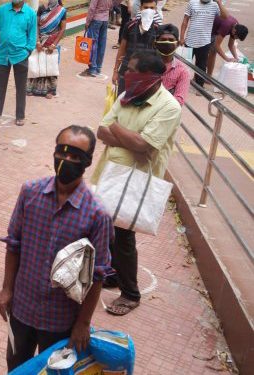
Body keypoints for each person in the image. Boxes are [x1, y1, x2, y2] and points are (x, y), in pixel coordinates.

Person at [0, 125, 114, 371]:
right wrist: (7, 289)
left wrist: (83, 323)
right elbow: (14, 244)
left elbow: (98, 275)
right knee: (17, 365)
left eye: (75, 156)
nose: (66, 160)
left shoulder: (97, 215)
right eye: (62, 152)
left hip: (61, 319)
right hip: (22, 308)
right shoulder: (30, 193)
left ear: (87, 161)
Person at [92, 51, 181, 316]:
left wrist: (117, 129)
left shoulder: (169, 107)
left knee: (123, 234)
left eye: (130, 70)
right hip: (110, 172)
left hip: (136, 178)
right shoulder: (126, 96)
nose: (125, 74)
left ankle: (130, 293)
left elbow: (144, 147)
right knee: (106, 226)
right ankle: (113, 274)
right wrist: (127, 136)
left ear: (149, 78)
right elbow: (100, 131)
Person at [0, 0, 37, 127]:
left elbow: (32, 36)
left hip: (21, 55)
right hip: (2, 54)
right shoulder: (1, 10)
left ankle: (20, 115)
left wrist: (27, 50)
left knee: (21, 87)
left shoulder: (30, 13)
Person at [111, 0, 160, 94]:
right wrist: (115, 71)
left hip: (146, 74)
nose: (148, 11)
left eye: (152, 8)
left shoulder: (158, 29)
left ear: (156, 10)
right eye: (146, 8)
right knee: (121, 100)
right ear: (141, 8)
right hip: (126, 71)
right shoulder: (129, 26)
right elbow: (122, 49)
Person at [179, 0, 228, 87]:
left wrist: (219, 3)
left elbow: (225, 16)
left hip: (204, 42)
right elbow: (185, 20)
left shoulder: (214, 5)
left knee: (201, 66)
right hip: (189, 40)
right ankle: (181, 84)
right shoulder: (192, 3)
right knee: (184, 65)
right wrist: (182, 37)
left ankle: (199, 86)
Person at [27, 0, 67, 98]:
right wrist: (37, 41)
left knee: (51, 65)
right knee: (36, 63)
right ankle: (31, 88)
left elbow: (62, 29)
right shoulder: (41, 8)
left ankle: (50, 91)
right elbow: (36, 25)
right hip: (40, 40)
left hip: (53, 41)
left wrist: (54, 44)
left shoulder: (62, 10)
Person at [156, 24, 191, 106]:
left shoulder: (182, 71)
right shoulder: (145, 64)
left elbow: (179, 101)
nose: (167, 42)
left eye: (171, 40)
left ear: (178, 44)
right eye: (163, 39)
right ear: (155, 43)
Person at [81, 0, 112, 77]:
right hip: (105, 19)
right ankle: (98, 67)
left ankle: (93, 68)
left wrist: (87, 22)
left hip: (96, 19)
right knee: (102, 44)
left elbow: (92, 8)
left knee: (93, 44)